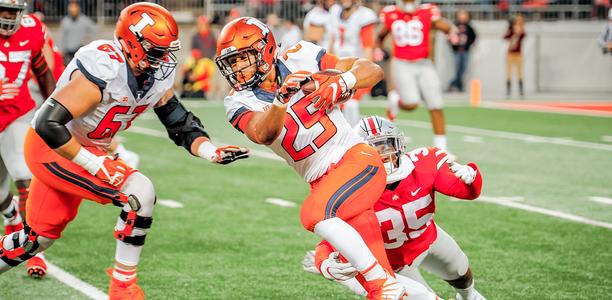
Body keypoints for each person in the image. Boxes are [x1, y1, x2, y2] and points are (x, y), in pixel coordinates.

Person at [0, 3, 249, 299]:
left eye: (167, 50)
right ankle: (123, 288)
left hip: (82, 149)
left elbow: (177, 120)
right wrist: (93, 163)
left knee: (36, 240)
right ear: (132, 43)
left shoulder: (153, 74)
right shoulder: (105, 67)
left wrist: (210, 151)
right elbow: (47, 123)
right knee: (140, 192)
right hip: (53, 149)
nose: (164, 59)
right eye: (156, 50)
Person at [216, 17, 405, 299]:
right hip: (324, 182)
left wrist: (343, 82)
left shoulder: (301, 55)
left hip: (356, 159)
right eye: (232, 62)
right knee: (380, 287)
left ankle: (382, 283)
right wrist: (281, 100)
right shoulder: (237, 101)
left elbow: (372, 69)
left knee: (314, 214)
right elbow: (262, 133)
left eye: (244, 58)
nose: (238, 68)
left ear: (265, 50)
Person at [304, 116, 486, 300]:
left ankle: (469, 296)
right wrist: (323, 262)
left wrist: (470, 178)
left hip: (427, 237)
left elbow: (467, 192)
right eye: (372, 149)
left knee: (461, 273)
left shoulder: (423, 163)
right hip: (392, 262)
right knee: (425, 298)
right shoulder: (352, 189)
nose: (382, 154)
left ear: (399, 144)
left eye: (385, 146)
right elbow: (333, 238)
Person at [0, 0, 56, 279]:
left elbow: (42, 69)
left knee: (24, 176)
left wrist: (58, 109)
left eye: (14, 11)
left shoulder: (32, 29)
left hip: (17, 113)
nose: (9, 17)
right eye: (3, 10)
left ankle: (33, 247)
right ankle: (11, 219)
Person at [379, 0, 458, 155]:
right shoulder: (390, 13)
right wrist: (378, 48)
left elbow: (445, 26)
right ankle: (396, 100)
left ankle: (442, 149)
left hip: (424, 63)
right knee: (411, 104)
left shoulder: (427, 11)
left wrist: (452, 32)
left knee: (436, 104)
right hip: (402, 63)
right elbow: (380, 34)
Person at [329, 0, 377, 126]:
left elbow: (368, 46)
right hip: (338, 65)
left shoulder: (364, 15)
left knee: (350, 104)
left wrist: (366, 71)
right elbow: (333, 40)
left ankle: (355, 139)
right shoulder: (334, 11)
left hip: (355, 67)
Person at [59, 0, 97, 65]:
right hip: (68, 53)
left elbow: (95, 31)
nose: (73, 10)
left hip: (80, 52)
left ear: (78, 8)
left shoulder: (85, 20)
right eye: (71, 7)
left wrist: (87, 42)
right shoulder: (65, 21)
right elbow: (62, 37)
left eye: (74, 7)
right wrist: (61, 51)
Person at [448, 9, 476, 93]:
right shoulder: (455, 25)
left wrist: (468, 44)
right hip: (457, 51)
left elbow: (473, 36)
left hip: (465, 51)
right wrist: (453, 44)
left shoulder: (469, 27)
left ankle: (455, 84)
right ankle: (458, 85)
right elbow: (450, 36)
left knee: (463, 68)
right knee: (457, 68)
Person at [503, 14, 525, 97]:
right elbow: (505, 37)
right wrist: (511, 31)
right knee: (509, 72)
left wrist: (519, 31)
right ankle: (508, 90)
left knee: (520, 72)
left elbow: (523, 35)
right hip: (510, 53)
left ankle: (521, 90)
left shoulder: (521, 30)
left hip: (518, 53)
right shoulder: (510, 30)